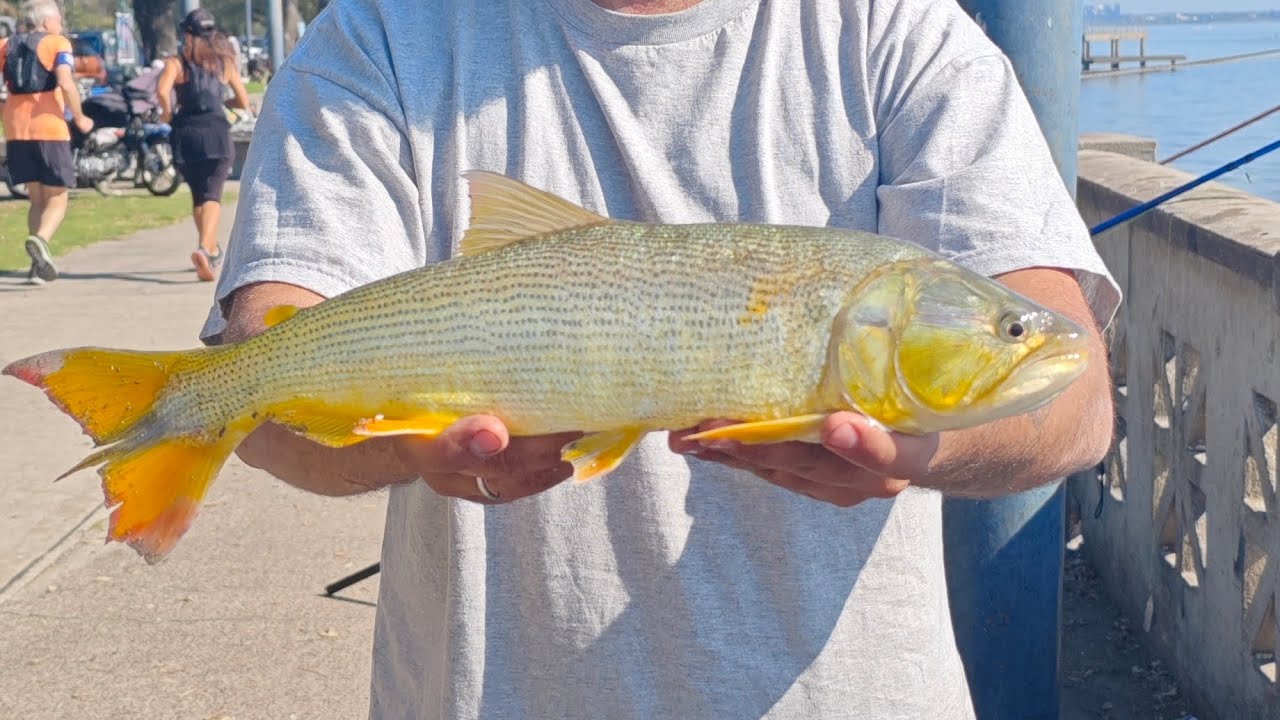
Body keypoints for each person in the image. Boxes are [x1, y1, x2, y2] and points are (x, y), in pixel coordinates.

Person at [202, 1, 1122, 717]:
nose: (1016, 341)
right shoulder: (381, 30)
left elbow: (1076, 395)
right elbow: (264, 394)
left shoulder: (899, 28)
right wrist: (401, 447)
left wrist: (928, 450)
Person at [0, 0, 93, 285]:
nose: (61, 25)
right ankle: (41, 239)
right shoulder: (57, 43)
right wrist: (80, 117)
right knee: (58, 197)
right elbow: (65, 82)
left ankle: (36, 268)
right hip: (49, 127)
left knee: (37, 198)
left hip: (16, 128)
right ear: (46, 22)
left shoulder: (5, 45)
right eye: (58, 20)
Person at [157, 8, 250, 282]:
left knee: (199, 195)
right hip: (215, 131)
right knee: (213, 194)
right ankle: (206, 250)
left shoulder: (176, 62)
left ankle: (206, 249)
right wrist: (223, 102)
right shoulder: (224, 62)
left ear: (187, 34)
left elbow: (162, 91)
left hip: (185, 133)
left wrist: (166, 114)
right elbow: (243, 100)